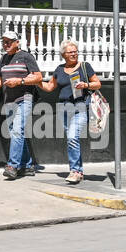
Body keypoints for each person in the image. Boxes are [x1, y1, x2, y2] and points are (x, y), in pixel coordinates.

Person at [0, 30, 42, 179]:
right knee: (17, 133)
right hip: (9, 101)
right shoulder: (4, 59)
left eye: (9, 41)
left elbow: (38, 77)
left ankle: (12, 166)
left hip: (24, 99)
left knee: (17, 131)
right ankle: (28, 165)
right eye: (4, 42)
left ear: (17, 42)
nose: (6, 44)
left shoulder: (26, 56)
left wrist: (20, 81)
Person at [39, 39, 100, 185]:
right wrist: (35, 81)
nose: (74, 54)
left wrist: (85, 84)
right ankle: (78, 170)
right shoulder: (59, 69)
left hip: (80, 107)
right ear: (63, 55)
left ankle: (75, 171)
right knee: (72, 140)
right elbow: (49, 87)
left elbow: (97, 83)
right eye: (70, 52)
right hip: (63, 109)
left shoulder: (85, 66)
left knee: (73, 137)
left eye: (75, 51)